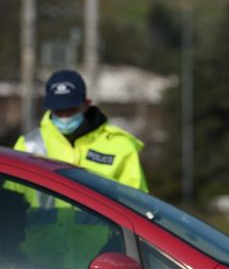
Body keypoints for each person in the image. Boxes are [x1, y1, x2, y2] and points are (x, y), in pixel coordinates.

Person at [14, 69, 148, 192]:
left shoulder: (120, 147)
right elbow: (11, 196)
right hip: (42, 219)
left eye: (71, 109)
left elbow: (137, 202)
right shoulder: (29, 145)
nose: (64, 116)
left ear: (87, 104)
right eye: (59, 111)